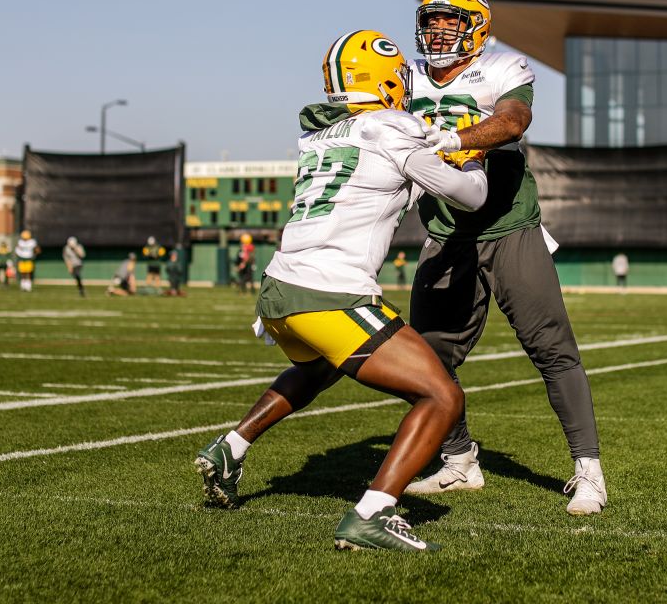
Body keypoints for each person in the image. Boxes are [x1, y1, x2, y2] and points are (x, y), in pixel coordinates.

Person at [194, 30, 485, 552]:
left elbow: (383, 185)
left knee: (319, 366)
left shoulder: (320, 135)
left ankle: (231, 447)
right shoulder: (395, 128)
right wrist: (472, 152)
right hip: (331, 292)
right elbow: (470, 196)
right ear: (384, 80)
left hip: (280, 288)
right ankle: (373, 512)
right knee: (441, 395)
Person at [396, 0, 605, 515]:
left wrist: (455, 139)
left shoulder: (503, 68)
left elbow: (513, 120)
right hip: (444, 234)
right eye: (432, 21)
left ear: (477, 27)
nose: (437, 31)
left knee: (552, 349)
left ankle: (589, 470)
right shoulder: (405, 77)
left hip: (509, 228)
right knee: (425, 360)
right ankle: (459, 459)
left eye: (450, 21)